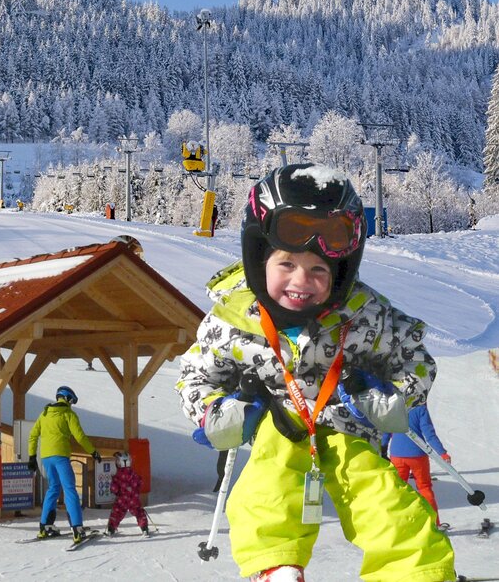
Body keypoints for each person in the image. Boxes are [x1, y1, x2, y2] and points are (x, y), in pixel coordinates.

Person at [176, 164, 455, 582]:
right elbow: (196, 375)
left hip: (347, 425)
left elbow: (414, 359)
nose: (301, 281)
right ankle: (275, 564)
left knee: (384, 500)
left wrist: (393, 397)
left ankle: (415, 570)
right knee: (266, 481)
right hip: (278, 419)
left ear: (341, 273)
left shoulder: (362, 314)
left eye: (319, 270)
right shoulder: (233, 318)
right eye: (286, 264)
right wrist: (216, 412)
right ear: (257, 257)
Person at [27, 385, 100, 544]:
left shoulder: (44, 414)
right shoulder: (68, 414)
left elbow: (33, 435)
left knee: (53, 488)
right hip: (60, 456)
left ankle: (44, 527)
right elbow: (80, 436)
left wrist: (32, 457)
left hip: (46, 457)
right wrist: (93, 452)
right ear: (67, 398)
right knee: (69, 489)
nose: (71, 404)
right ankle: (77, 529)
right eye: (71, 401)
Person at [383, 403, 451, 526]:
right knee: (424, 487)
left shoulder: (393, 405)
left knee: (397, 490)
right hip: (417, 455)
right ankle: (434, 524)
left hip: (397, 455)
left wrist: (382, 449)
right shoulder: (420, 408)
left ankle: (395, 524)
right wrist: (442, 453)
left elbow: (386, 432)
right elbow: (429, 435)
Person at [106, 451, 150, 537]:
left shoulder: (117, 476)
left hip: (121, 500)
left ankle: (111, 529)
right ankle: (144, 528)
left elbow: (114, 488)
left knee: (116, 513)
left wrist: (114, 490)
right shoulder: (133, 474)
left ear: (119, 463)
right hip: (133, 499)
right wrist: (135, 490)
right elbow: (139, 482)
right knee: (139, 512)